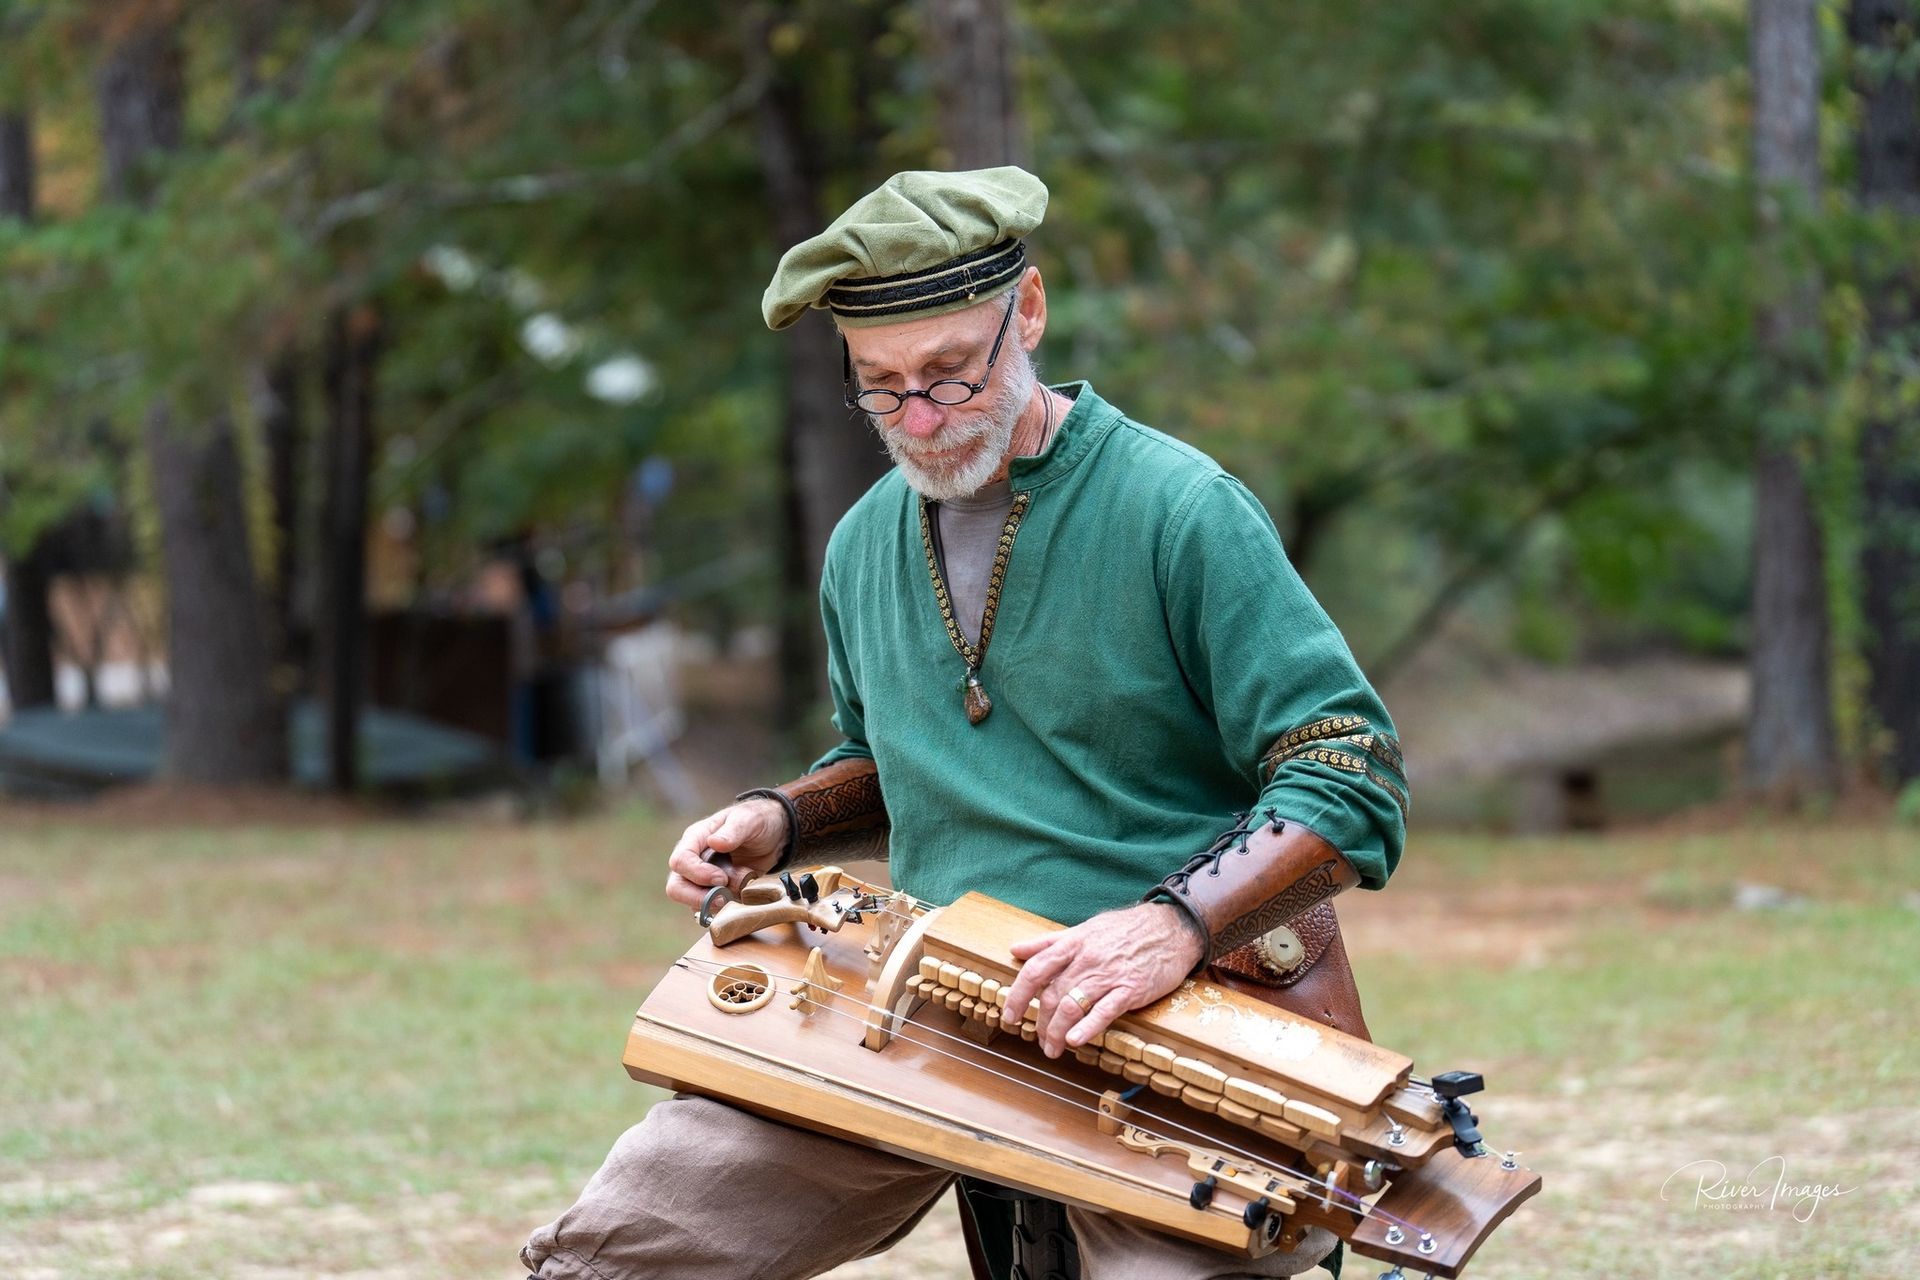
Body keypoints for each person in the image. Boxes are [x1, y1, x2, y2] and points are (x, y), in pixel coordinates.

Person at [521, 166, 1409, 1280]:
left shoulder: (1180, 509)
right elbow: (898, 761)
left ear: (1026, 312)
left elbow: (1350, 771)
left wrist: (1170, 927)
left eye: (948, 372)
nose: (921, 419)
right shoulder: (859, 544)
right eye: (881, 387)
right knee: (616, 1253)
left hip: (1184, 1009)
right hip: (926, 998)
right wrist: (778, 819)